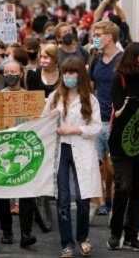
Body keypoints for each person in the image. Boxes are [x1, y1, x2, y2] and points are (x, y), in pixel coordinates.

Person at [43, 57, 102, 258]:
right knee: (63, 198)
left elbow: (96, 127)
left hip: (82, 149)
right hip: (60, 149)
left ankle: (83, 238)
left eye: (72, 72)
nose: (68, 76)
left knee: (83, 197)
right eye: (66, 72)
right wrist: (52, 121)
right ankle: (66, 243)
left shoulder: (90, 99)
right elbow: (44, 121)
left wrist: (75, 129)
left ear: (80, 75)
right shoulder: (55, 97)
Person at [107, 42, 139, 251]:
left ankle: (132, 235)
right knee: (123, 186)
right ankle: (115, 233)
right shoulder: (120, 77)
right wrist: (128, 103)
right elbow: (117, 109)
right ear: (133, 57)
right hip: (121, 141)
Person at [0, 60, 37, 248]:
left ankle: (26, 233)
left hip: (24, 149)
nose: (9, 75)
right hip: (4, 149)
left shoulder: (30, 98)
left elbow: (38, 122)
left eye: (13, 72)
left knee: (27, 192)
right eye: (6, 72)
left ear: (21, 73)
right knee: (3, 193)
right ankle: (6, 231)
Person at [89, 21, 123, 216]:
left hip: (114, 119)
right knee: (96, 164)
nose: (95, 38)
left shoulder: (122, 59)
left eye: (98, 34)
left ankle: (112, 200)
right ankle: (101, 201)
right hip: (96, 118)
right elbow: (91, 85)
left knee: (113, 165)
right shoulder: (95, 58)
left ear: (109, 37)